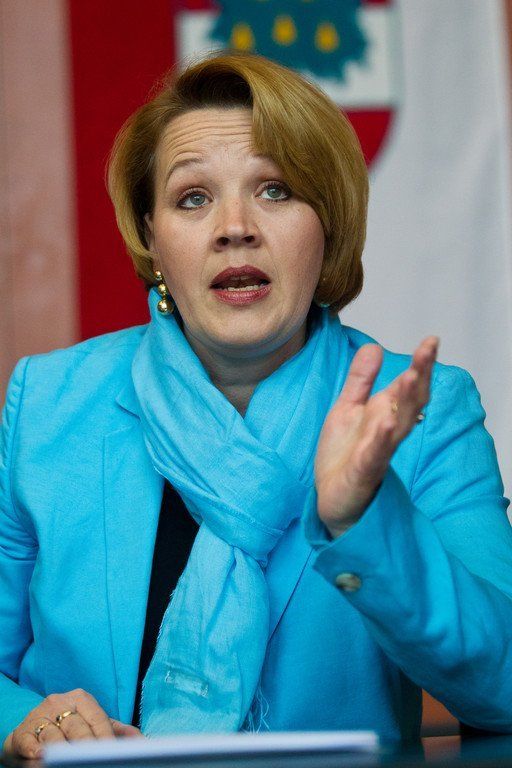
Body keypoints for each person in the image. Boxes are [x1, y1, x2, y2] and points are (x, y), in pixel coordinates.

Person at [1, 51, 512, 759]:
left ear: (327, 224)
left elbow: (503, 685)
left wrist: (363, 519)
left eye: (275, 190)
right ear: (151, 239)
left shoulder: (421, 414)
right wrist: (25, 724)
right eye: (193, 198)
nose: (234, 226)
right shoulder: (50, 403)